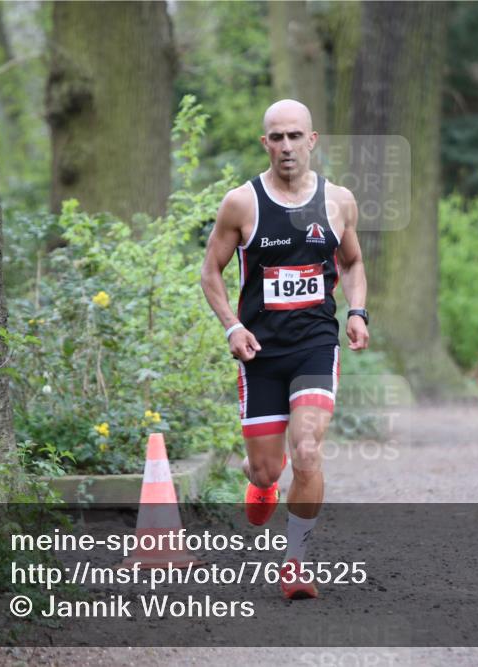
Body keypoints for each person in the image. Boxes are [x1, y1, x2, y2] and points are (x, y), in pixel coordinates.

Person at [200, 99, 369, 600]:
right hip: (260, 354)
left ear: (312, 140)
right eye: (277, 137)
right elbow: (212, 270)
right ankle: (262, 482)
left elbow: (354, 263)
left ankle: (294, 561)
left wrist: (357, 313)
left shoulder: (339, 201)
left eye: (296, 136)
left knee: (309, 450)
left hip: (316, 344)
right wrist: (232, 326)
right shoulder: (241, 203)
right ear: (265, 143)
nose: (287, 146)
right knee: (268, 467)